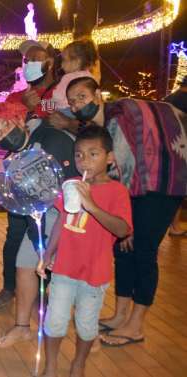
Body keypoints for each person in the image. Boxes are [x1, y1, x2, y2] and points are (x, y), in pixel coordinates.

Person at [62, 77, 186, 347]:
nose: (76, 104)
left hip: (165, 182)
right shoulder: (104, 125)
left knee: (143, 249)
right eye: (72, 101)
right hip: (144, 185)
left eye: (81, 97)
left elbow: (123, 170)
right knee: (123, 249)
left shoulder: (118, 116)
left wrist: (124, 222)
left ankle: (136, 325)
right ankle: (120, 315)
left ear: (97, 94)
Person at [37, 125, 132, 377]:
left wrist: (90, 205)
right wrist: (47, 255)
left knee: (87, 326)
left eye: (93, 154)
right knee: (55, 321)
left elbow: (122, 229)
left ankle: (79, 363)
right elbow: (61, 221)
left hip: (95, 273)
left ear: (110, 157)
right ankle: (50, 366)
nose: (84, 160)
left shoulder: (117, 192)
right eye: (79, 154)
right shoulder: (71, 185)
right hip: (64, 268)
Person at [0, 39, 59, 312]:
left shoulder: (60, 94)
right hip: (19, 179)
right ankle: (9, 288)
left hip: (50, 179)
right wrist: (26, 109)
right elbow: (3, 133)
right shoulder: (15, 98)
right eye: (26, 61)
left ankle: (42, 288)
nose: (30, 65)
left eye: (36, 59)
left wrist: (42, 110)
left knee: (45, 235)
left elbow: (69, 125)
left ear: (49, 63)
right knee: (15, 234)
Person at [163, 76, 187, 236]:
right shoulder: (184, 99)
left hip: (169, 146)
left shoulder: (169, 98)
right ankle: (175, 225)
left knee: (175, 186)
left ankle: (174, 224)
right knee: (179, 188)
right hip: (182, 146)